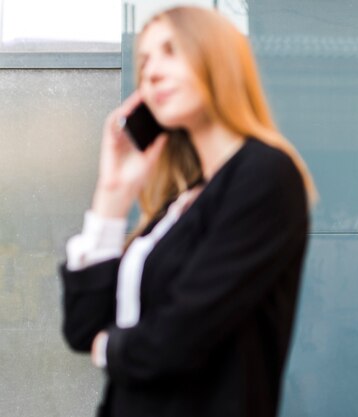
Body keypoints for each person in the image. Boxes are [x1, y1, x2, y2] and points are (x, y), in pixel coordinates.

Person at [60, 6, 315, 417]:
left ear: (217, 61)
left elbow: (178, 338)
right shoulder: (180, 202)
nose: (152, 72)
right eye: (144, 62)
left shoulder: (265, 174)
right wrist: (112, 195)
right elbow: (81, 327)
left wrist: (108, 346)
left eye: (170, 52)